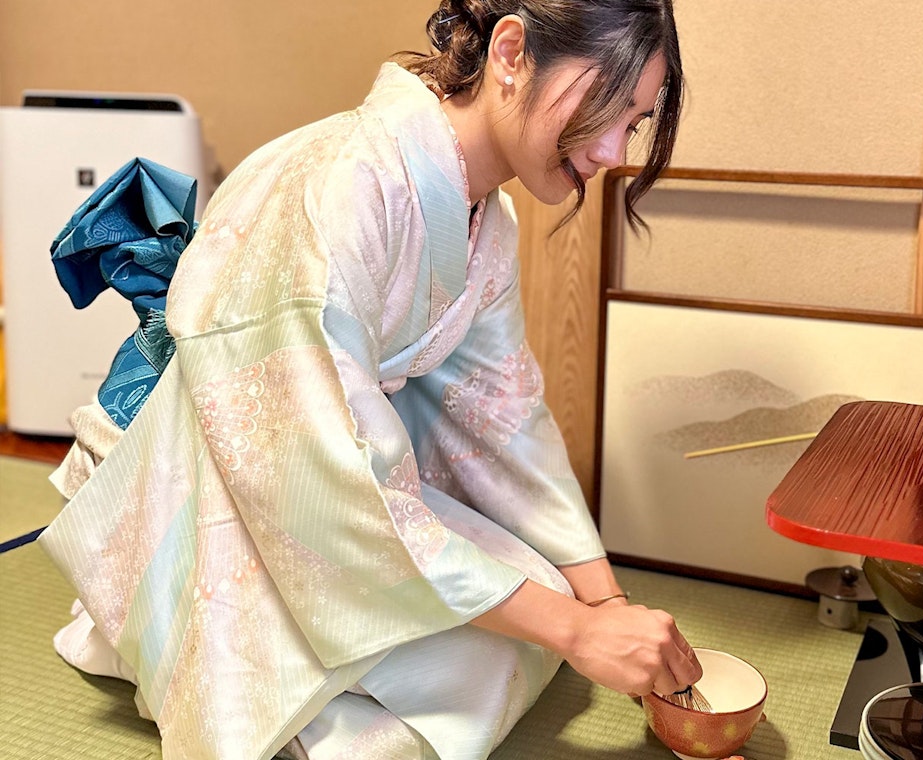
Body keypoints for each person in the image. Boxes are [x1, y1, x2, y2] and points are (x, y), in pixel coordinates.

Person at [38, 1, 698, 758]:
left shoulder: (490, 223)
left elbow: (502, 421)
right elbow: (314, 469)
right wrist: (578, 628)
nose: (614, 150)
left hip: (319, 473)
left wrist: (604, 606)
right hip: (211, 473)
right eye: (606, 108)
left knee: (531, 607)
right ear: (510, 53)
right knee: (439, 695)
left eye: (635, 122)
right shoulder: (341, 185)